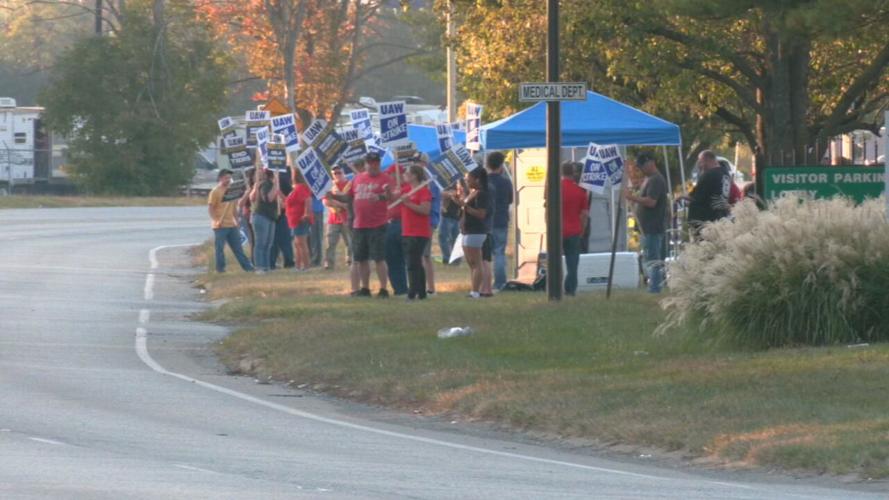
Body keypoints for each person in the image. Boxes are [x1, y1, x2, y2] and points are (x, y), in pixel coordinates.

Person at [350, 151, 394, 297]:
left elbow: (391, 197)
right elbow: (348, 196)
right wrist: (333, 195)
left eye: (376, 163)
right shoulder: (357, 178)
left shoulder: (385, 178)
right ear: (366, 164)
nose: (374, 165)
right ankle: (365, 288)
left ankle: (383, 288)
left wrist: (381, 196)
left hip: (378, 224)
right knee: (361, 259)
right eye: (371, 163)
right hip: (359, 224)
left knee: (379, 258)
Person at [624, 154, 667, 293]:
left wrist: (631, 197)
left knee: (654, 259)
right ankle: (654, 285)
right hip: (647, 227)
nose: (641, 169)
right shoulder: (649, 179)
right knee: (650, 257)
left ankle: (655, 287)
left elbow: (651, 202)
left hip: (653, 227)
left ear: (651, 162)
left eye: (642, 165)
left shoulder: (656, 180)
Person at [449, 168, 490, 299]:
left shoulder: (482, 194)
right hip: (467, 230)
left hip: (476, 231)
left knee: (476, 262)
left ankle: (476, 291)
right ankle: (474, 289)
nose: (466, 181)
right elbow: (464, 208)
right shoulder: (472, 193)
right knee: (471, 263)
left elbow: (481, 214)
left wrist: (464, 205)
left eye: (468, 178)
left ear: (477, 179)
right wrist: (459, 202)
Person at [208, 168, 254, 273]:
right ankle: (220, 269)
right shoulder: (215, 191)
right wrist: (215, 220)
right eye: (226, 178)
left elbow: (233, 207)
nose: (228, 180)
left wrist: (236, 220)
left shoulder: (232, 191)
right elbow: (211, 208)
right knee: (220, 249)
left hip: (231, 225)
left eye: (229, 177)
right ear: (220, 178)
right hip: (220, 225)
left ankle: (248, 268)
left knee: (238, 248)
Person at [398, 164, 433, 300]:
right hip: (407, 230)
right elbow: (392, 197)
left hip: (418, 232)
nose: (404, 175)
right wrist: (388, 191)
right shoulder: (406, 190)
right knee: (415, 262)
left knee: (412, 264)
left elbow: (425, 210)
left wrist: (408, 203)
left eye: (407, 173)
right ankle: (422, 293)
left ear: (414, 176)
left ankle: (412, 293)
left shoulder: (423, 191)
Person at [684, 150, 731, 238]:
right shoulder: (725, 173)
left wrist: (681, 197)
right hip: (720, 217)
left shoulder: (709, 175)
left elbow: (695, 197)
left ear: (707, 160)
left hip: (705, 222)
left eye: (700, 162)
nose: (699, 166)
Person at [560, 162, 590, 296]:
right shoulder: (580, 191)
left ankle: (553, 286)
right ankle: (570, 289)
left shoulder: (556, 188)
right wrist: (582, 231)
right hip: (574, 230)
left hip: (557, 231)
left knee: (555, 261)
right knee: (572, 262)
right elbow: (584, 215)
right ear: (574, 173)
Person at [486, 152, 513, 290]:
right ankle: (500, 282)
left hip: (485, 221)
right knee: (499, 252)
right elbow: (510, 200)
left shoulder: (484, 181)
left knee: (484, 255)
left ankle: (484, 282)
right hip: (501, 220)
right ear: (501, 165)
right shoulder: (506, 182)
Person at [249, 165, 280, 273]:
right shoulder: (266, 184)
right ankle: (259, 267)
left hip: (271, 216)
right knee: (261, 243)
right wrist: (276, 184)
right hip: (261, 216)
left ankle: (266, 267)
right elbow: (268, 198)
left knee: (268, 243)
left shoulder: (268, 184)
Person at [385, 163, 409, 296]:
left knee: (404, 258)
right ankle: (399, 288)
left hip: (403, 223)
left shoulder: (407, 187)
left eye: (392, 173)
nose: (390, 175)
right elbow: (387, 199)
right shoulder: (390, 187)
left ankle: (407, 286)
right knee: (392, 258)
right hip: (390, 223)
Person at [285, 166, 314, 271]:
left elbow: (308, 199)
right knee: (297, 244)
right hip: (294, 220)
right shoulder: (295, 188)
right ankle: (298, 266)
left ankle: (306, 266)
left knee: (302, 243)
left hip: (300, 219)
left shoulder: (301, 187)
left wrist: (306, 213)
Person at [324, 164, 352, 270]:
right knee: (330, 243)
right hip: (333, 218)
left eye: (339, 172)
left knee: (350, 242)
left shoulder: (349, 185)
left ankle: (350, 261)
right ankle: (329, 263)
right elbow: (326, 201)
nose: (337, 175)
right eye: (335, 173)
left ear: (343, 173)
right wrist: (340, 204)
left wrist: (335, 200)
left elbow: (350, 200)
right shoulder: (329, 186)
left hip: (347, 217)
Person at [269, 168, 295, 270]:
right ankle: (272, 262)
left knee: (286, 240)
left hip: (283, 215)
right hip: (271, 215)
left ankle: (289, 262)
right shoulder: (266, 184)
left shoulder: (283, 180)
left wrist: (281, 196)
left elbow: (290, 198)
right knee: (273, 241)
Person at [439, 182, 461, 265]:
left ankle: (450, 259)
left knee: (447, 237)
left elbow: (448, 194)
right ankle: (449, 258)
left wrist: (450, 194)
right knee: (446, 237)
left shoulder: (459, 183)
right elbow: (444, 194)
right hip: (448, 214)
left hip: (453, 215)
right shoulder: (449, 183)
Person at [309, 195, 325, 267]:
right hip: (306, 209)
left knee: (316, 236)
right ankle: (310, 258)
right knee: (308, 237)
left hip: (316, 209)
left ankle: (316, 260)